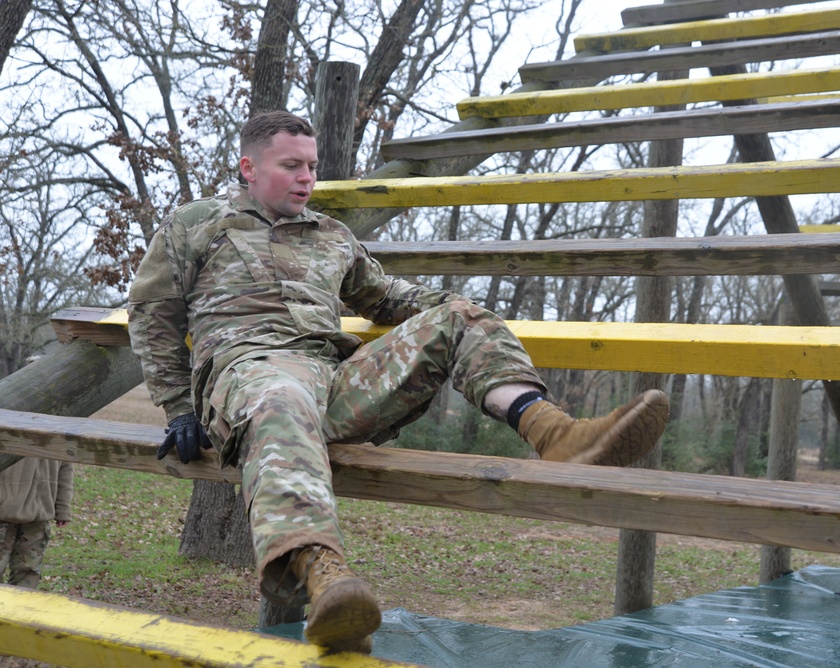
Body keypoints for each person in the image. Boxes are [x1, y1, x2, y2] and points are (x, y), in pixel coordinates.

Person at [128, 110, 669, 654]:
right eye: (291, 165)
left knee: (458, 317)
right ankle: (325, 579)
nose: (306, 178)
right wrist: (178, 407)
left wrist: (464, 310)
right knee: (282, 394)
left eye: (312, 166)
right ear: (248, 166)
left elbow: (385, 298)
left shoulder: (332, 236)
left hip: (331, 379)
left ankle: (555, 433)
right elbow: (153, 314)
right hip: (248, 376)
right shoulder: (197, 222)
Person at [0, 457, 73, 589]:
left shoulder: (60, 438)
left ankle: (21, 608)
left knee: (29, 572)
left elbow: (65, 467)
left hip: (39, 516)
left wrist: (62, 508)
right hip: (4, 513)